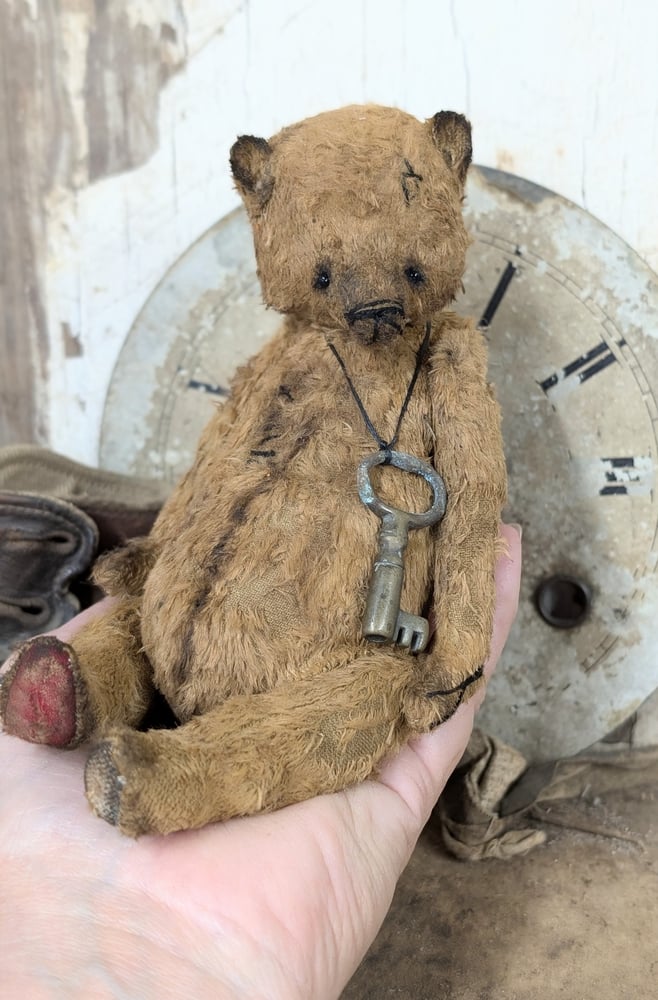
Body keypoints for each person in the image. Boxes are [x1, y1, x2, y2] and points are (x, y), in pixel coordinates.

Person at [0, 524, 521, 999]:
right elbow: (212, 475)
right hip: (207, 602)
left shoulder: (438, 416)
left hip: (335, 655)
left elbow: (468, 525)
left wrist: (452, 655)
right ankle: (83, 687)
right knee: (139, 618)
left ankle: (177, 775)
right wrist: (158, 551)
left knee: (360, 698)